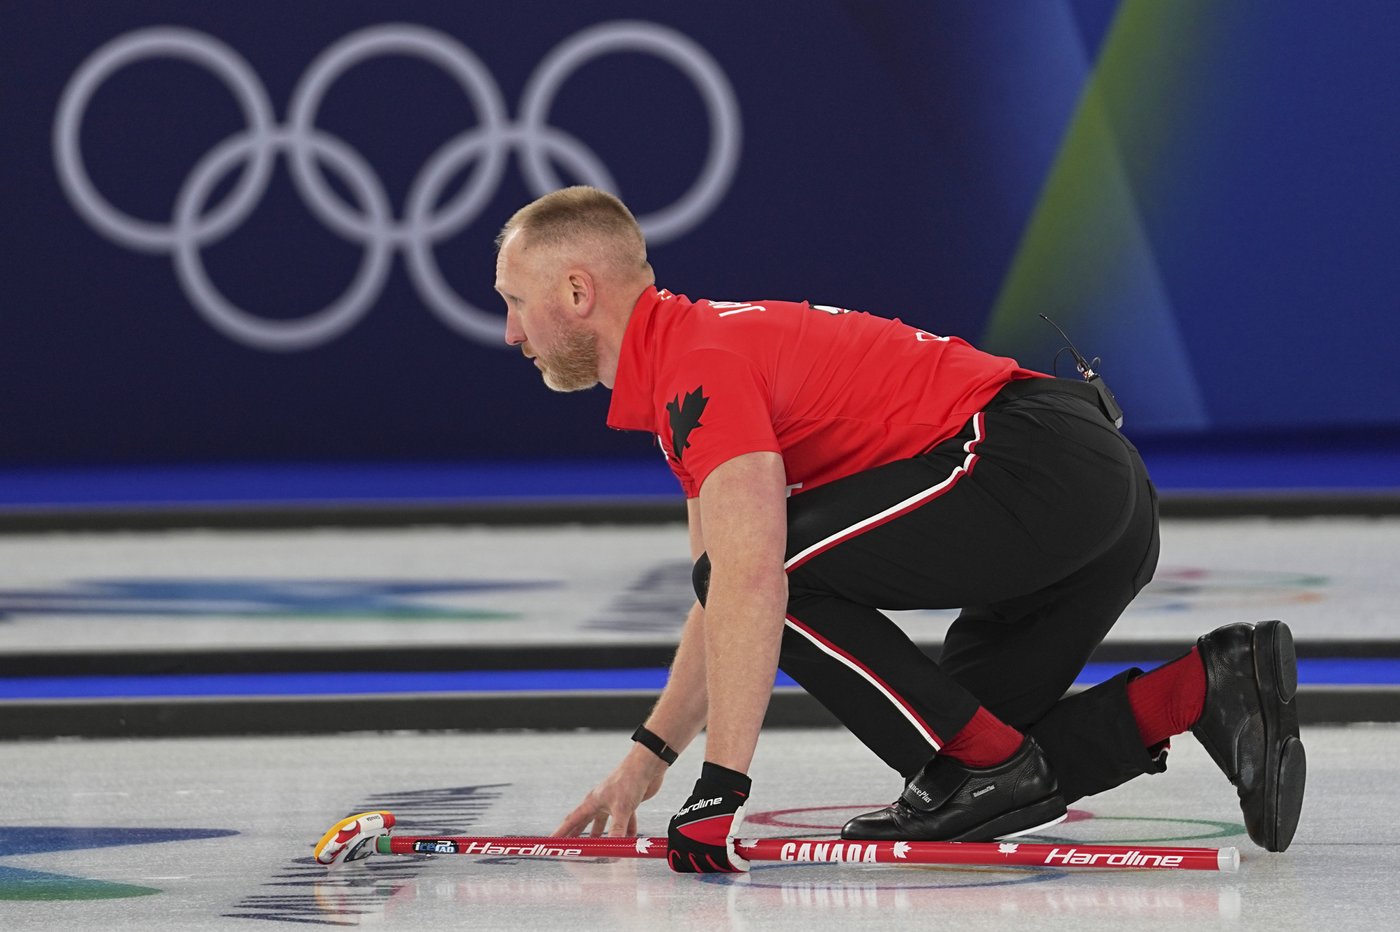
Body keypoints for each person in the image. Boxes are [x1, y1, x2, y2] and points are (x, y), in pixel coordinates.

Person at [492, 185, 1306, 874]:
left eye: (515, 303)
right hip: (1090, 484)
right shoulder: (690, 367)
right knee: (968, 756)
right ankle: (1208, 686)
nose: (511, 334)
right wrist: (648, 760)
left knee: (940, 729)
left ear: (575, 292)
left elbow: (748, 581)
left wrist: (721, 790)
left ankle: (987, 764)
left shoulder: (698, 368)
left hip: (1033, 463)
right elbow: (724, 607)